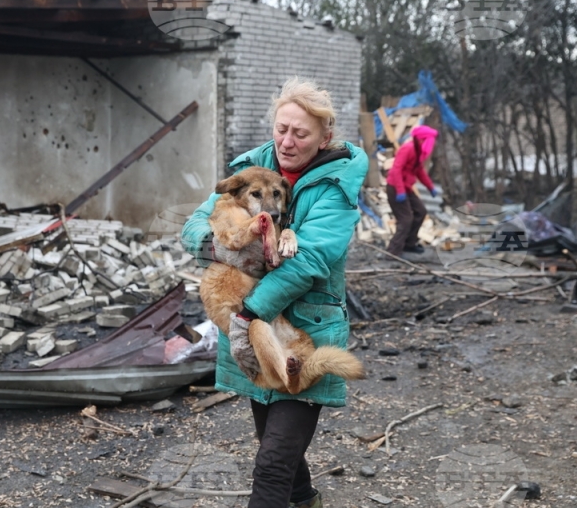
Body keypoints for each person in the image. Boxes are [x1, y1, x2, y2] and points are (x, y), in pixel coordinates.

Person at [181, 77, 368, 508]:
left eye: (300, 133)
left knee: (271, 463)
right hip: (249, 331)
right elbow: (194, 224)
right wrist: (224, 249)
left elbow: (311, 262)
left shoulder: (335, 188)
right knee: (273, 443)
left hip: (302, 330)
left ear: (325, 136)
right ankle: (306, 501)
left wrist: (248, 314)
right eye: (281, 129)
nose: (286, 141)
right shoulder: (252, 167)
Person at [385, 125, 440, 257]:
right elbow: (396, 169)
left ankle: (409, 244)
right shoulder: (407, 149)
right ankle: (393, 251)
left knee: (421, 212)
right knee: (405, 219)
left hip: (406, 188)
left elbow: (419, 171)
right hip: (395, 187)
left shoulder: (417, 151)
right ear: (421, 140)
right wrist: (399, 191)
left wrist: (430, 186)